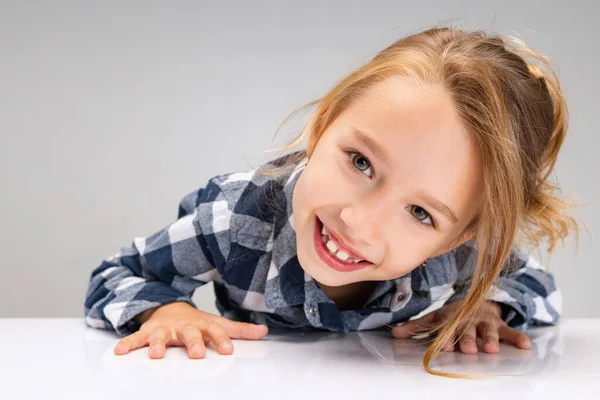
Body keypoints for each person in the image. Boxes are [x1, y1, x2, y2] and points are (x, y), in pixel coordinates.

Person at [84, 25, 579, 377]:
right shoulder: (237, 220)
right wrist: (165, 312)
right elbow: (117, 274)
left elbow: (536, 285)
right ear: (322, 127)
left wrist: (486, 308)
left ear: (458, 235)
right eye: (361, 162)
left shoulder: (461, 255)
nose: (359, 222)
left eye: (421, 213)